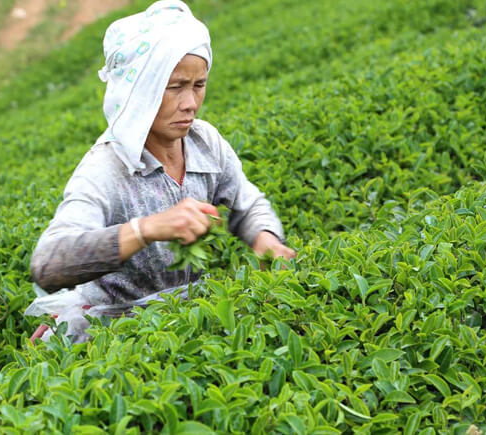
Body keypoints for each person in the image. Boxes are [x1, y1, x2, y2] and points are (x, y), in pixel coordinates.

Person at [27, 0, 295, 336]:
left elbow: (247, 202)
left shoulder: (204, 141)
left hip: (188, 314)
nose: (191, 104)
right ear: (140, 91)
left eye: (199, 85)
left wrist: (264, 238)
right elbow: (48, 263)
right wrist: (146, 229)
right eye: (174, 88)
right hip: (114, 326)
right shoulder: (106, 169)